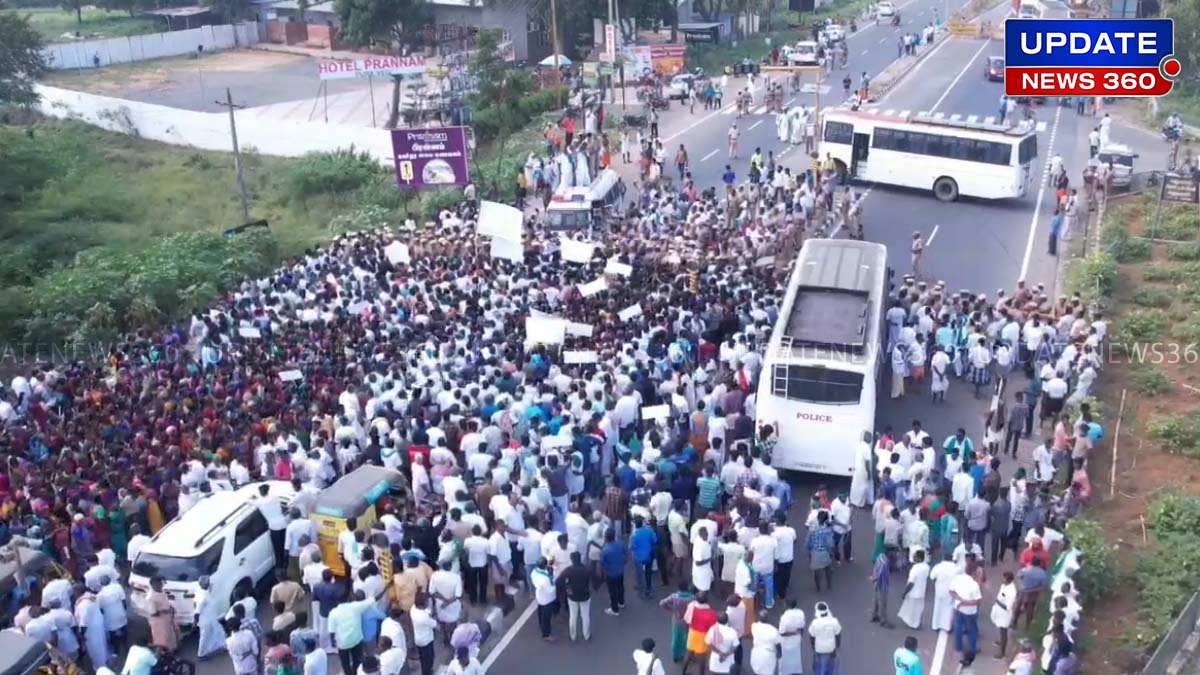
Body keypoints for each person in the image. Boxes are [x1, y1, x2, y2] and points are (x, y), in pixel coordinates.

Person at [950, 567, 982, 658]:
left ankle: (958, 646)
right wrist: (965, 602)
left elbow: (951, 592)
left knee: (958, 627)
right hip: (970, 611)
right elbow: (977, 601)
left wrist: (960, 600)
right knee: (972, 630)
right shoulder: (974, 585)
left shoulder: (957, 579)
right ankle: (972, 649)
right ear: (973, 573)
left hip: (958, 608)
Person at [195, 576, 226, 660]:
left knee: (218, 631)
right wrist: (196, 621)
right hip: (206, 620)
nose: (208, 584)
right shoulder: (202, 596)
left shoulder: (204, 592)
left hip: (211, 618)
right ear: (204, 584)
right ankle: (201, 654)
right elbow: (198, 611)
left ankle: (223, 646)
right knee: (205, 637)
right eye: (207, 583)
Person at [898, 549, 930, 629]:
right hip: (921, 592)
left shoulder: (915, 569)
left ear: (919, 558)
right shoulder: (926, 567)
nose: (913, 557)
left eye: (915, 556)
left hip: (913, 593)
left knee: (911, 609)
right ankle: (916, 623)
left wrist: (904, 593)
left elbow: (911, 583)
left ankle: (912, 624)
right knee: (918, 609)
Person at [146, 577, 179, 653]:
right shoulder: (151, 597)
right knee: (161, 639)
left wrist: (171, 609)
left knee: (169, 636)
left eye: (160, 584)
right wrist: (165, 611)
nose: (160, 586)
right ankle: (162, 654)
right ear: (152, 585)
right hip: (159, 623)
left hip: (167, 620)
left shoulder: (161, 591)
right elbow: (153, 613)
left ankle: (171, 651)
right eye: (158, 584)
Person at [809, 602, 841, 675]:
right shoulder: (834, 621)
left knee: (819, 666)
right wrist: (837, 645)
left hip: (819, 648)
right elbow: (838, 634)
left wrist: (813, 646)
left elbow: (812, 635)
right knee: (829, 665)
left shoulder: (815, 622)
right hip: (830, 647)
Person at [991, 571, 1017, 658]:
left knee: (1003, 632)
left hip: (1005, 614)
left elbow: (1008, 607)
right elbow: (1002, 595)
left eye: (1004, 578)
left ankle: (1002, 652)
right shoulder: (1004, 586)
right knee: (1000, 628)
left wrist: (997, 601)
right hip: (999, 612)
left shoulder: (1012, 591)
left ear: (1008, 580)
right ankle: (1001, 643)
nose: (1002, 580)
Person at [928, 553, 957, 632]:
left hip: (939, 590)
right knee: (949, 608)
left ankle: (936, 626)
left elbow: (931, 577)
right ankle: (947, 627)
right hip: (951, 590)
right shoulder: (956, 568)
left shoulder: (938, 567)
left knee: (937, 607)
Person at [749, 609, 780, 675]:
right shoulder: (774, 630)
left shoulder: (754, 626)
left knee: (757, 671)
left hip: (756, 653)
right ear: (768, 618)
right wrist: (779, 653)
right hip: (768, 655)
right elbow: (778, 644)